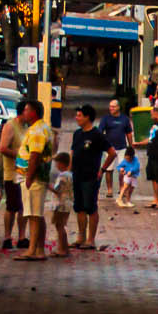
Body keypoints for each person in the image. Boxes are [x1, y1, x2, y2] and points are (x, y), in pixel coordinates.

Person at [67, 104, 110, 249]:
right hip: (77, 175)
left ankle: (91, 239)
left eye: (79, 116)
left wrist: (102, 170)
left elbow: (112, 153)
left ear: (87, 117)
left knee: (90, 207)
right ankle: (81, 236)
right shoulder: (77, 134)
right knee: (79, 207)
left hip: (90, 176)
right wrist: (68, 171)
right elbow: (73, 152)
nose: (76, 118)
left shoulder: (97, 135)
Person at [15, 99, 53, 261]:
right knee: (36, 213)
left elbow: (35, 155)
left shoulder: (37, 131)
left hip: (34, 178)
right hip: (35, 177)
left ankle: (32, 249)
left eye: (26, 110)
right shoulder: (39, 128)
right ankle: (39, 249)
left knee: (33, 214)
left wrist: (29, 177)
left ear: (33, 112)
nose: (23, 113)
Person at [0, 107, 24, 249]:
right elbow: (3, 148)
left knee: (23, 207)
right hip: (12, 173)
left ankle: (22, 236)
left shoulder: (26, 127)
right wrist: (20, 155)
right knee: (12, 206)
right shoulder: (11, 126)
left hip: (23, 173)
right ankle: (7, 236)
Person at [48, 152, 75, 257]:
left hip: (60, 204)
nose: (56, 165)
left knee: (59, 226)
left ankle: (61, 249)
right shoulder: (70, 175)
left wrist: (48, 185)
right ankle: (65, 248)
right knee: (62, 226)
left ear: (62, 163)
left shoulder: (62, 176)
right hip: (67, 203)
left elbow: (57, 190)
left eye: (57, 163)